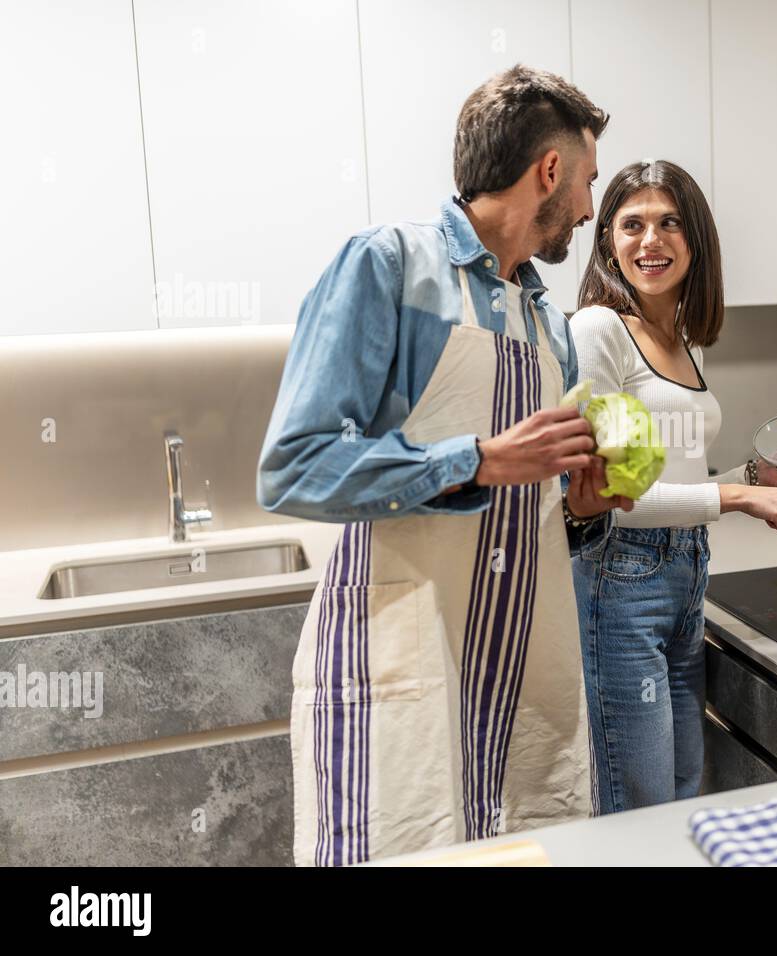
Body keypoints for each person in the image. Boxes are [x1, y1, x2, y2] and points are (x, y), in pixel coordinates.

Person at [257, 65, 630, 866]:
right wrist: (476, 460)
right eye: (589, 181)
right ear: (551, 171)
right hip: (408, 661)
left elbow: (534, 508)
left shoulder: (547, 320)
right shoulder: (388, 266)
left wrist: (583, 508)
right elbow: (293, 466)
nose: (592, 210)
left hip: (520, 667)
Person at [568, 160, 777, 814]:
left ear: (695, 240)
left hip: (687, 573)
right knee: (641, 804)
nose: (651, 240)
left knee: (682, 790)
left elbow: (670, 474)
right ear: (607, 243)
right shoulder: (599, 330)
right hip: (621, 582)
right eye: (633, 225)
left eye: (669, 223)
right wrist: (737, 499)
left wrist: (749, 476)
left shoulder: (684, 337)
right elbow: (606, 500)